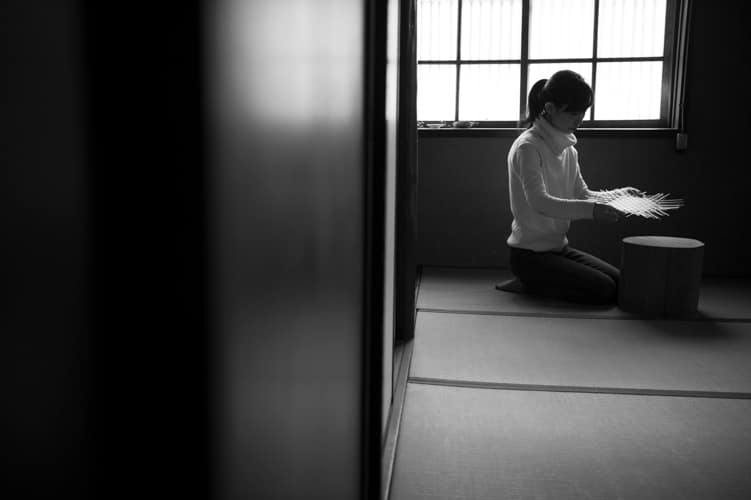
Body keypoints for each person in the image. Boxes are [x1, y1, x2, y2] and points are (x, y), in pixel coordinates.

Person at [505, 69, 641, 305]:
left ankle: (538, 282)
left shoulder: (568, 149)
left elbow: (583, 194)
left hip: (558, 249)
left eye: (583, 112)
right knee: (605, 290)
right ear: (550, 108)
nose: (580, 120)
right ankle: (528, 283)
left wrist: (619, 195)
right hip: (528, 256)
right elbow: (540, 202)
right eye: (573, 113)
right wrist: (592, 211)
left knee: (622, 283)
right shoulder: (528, 147)